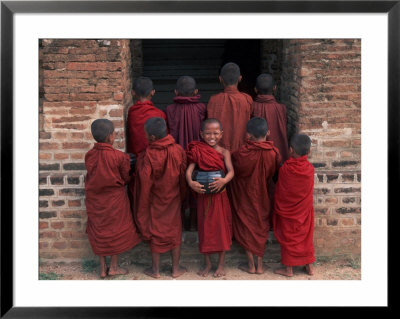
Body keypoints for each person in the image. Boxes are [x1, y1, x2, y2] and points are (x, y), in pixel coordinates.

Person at [84, 119, 141, 278]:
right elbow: (125, 178)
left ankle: (102, 269)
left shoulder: (89, 155)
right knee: (115, 231)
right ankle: (114, 267)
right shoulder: (119, 157)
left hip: (95, 199)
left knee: (99, 231)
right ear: (111, 136)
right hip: (115, 199)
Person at [133, 117, 187, 279]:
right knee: (174, 232)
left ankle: (155, 270)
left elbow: (145, 181)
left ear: (152, 138)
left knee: (156, 231)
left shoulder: (148, 155)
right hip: (174, 196)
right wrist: (181, 195)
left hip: (155, 199)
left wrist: (143, 200)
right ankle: (175, 270)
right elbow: (183, 176)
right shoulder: (178, 150)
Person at [229, 117, 281, 274]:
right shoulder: (273, 153)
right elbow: (274, 175)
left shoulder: (240, 154)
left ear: (248, 135)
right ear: (268, 132)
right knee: (260, 225)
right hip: (263, 194)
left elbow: (234, 172)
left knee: (247, 225)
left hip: (244, 195)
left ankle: (251, 265)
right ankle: (260, 265)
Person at [186, 118, 234, 277]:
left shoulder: (224, 152)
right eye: (207, 133)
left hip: (220, 196)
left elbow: (231, 171)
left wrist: (224, 180)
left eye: (215, 133)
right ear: (201, 134)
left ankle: (221, 265)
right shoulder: (198, 150)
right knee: (205, 229)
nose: (211, 136)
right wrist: (191, 182)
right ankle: (207, 264)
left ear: (221, 134)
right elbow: (189, 169)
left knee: (221, 229)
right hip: (203, 197)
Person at [165, 76, 207, 231]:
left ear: (176, 92)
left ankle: (181, 224)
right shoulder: (202, 108)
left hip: (177, 155)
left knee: (179, 187)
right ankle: (195, 225)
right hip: (198, 154)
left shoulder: (170, 109)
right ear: (196, 91)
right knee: (197, 185)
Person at [273, 133, 316, 277]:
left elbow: (281, 191)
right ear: (309, 151)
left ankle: (289, 269)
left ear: (290, 150)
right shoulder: (310, 169)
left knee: (288, 235)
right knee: (306, 237)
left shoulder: (286, 169)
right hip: (304, 211)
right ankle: (309, 267)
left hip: (288, 211)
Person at [207, 62, 253, 152]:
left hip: (218, 152)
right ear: (240, 79)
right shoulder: (247, 99)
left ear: (220, 79)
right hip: (241, 151)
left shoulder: (213, 100)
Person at [252, 73, 289, 163]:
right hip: (277, 154)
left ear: (255, 89)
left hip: (255, 156)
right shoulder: (281, 108)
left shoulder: (251, 107)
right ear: (275, 88)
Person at [126, 76, 167, 157]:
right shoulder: (160, 114)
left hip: (136, 159)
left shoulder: (132, 112)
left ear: (133, 92)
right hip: (156, 157)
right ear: (153, 92)